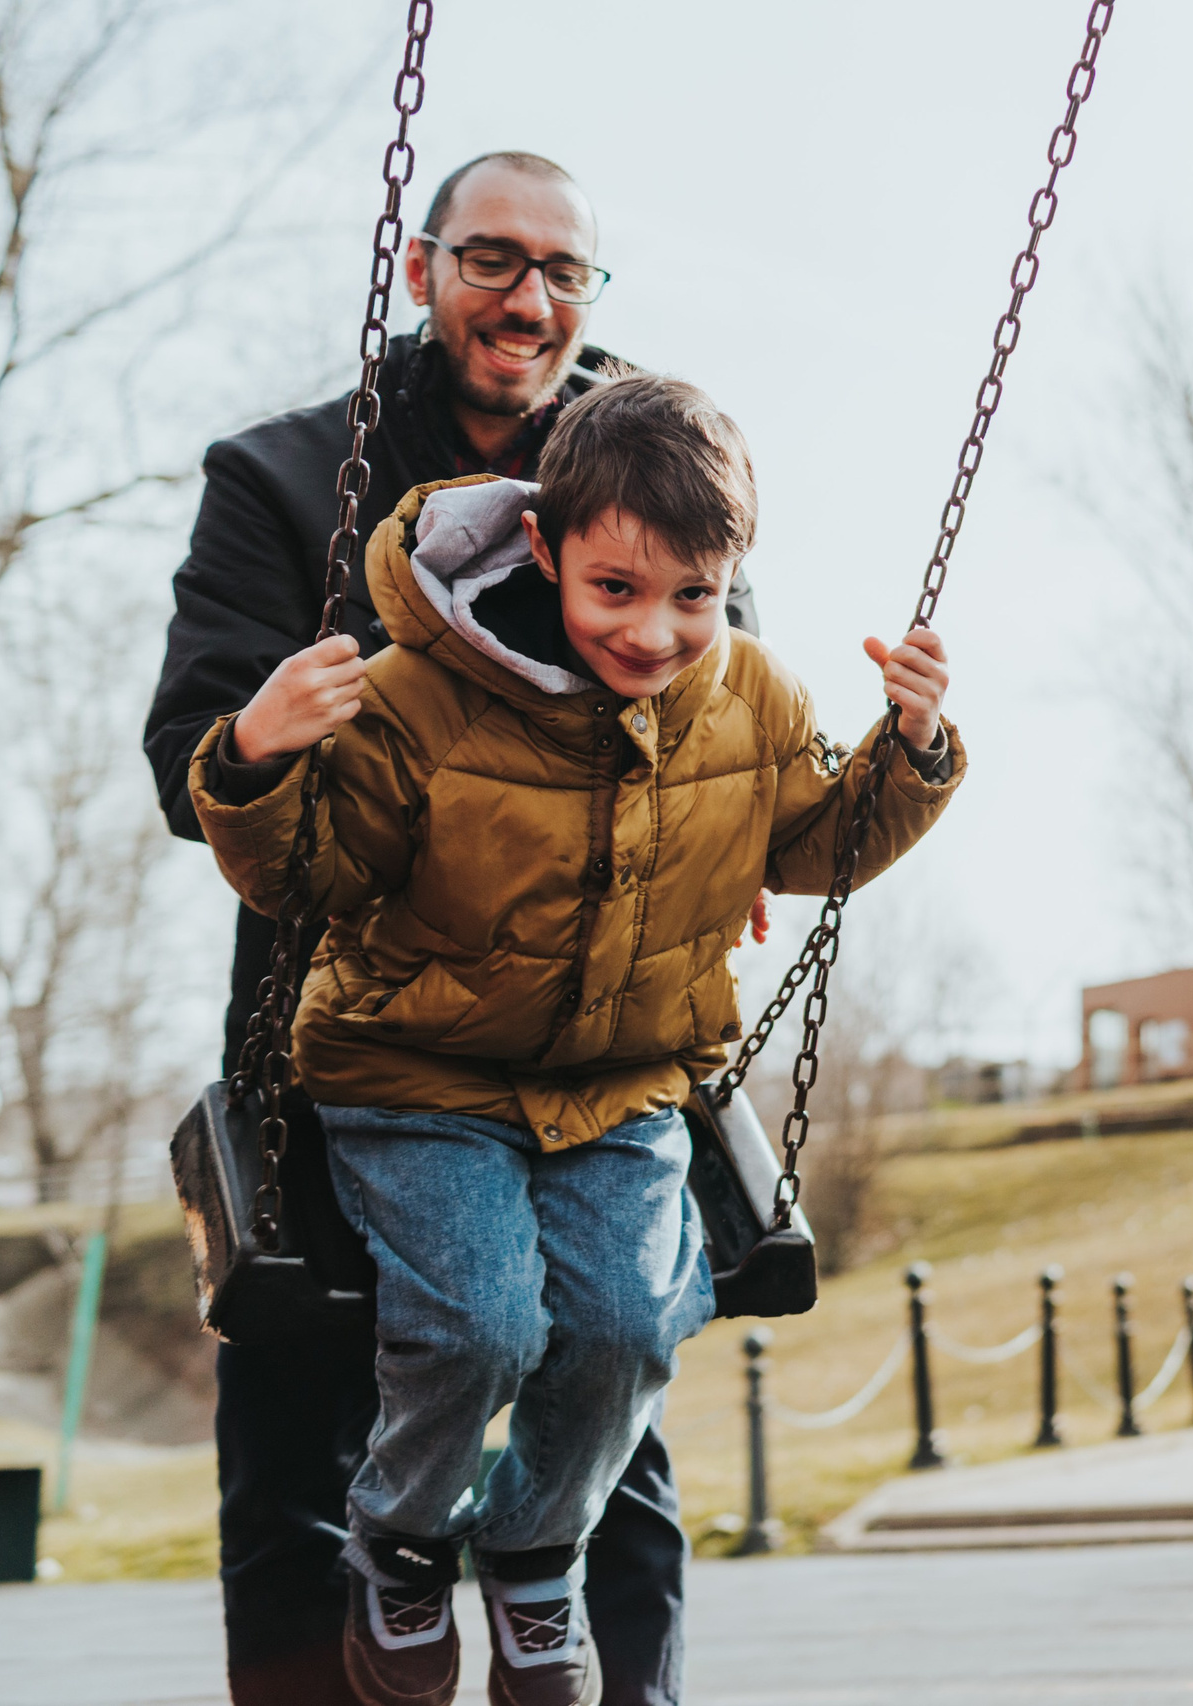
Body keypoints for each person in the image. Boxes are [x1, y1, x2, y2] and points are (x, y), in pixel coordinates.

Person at [185, 372, 963, 1706]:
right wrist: (254, 757)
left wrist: (913, 748)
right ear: (546, 550)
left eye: (695, 596)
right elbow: (307, 870)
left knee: (628, 1328)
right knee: (479, 1323)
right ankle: (406, 1540)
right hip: (419, 1078)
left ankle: (538, 1547)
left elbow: (814, 847)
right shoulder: (420, 695)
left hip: (622, 1089)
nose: (657, 634)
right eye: (617, 590)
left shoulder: (752, 696)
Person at [142, 152, 755, 1706]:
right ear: (421, 267)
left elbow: (723, 698)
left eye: (563, 271)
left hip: (590, 1040)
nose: (529, 300)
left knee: (608, 1384)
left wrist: (741, 830)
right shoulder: (288, 480)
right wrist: (267, 735)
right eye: (491, 259)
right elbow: (189, 762)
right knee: (300, 1425)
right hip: (352, 1036)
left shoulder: (658, 455)